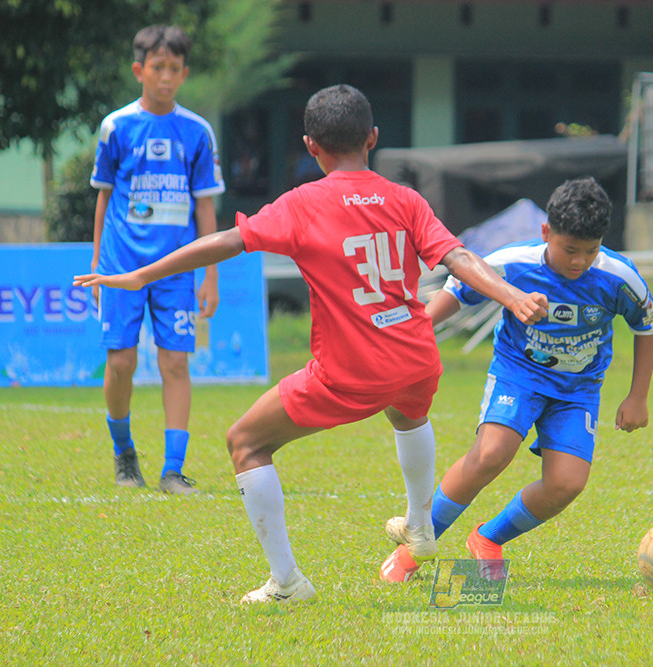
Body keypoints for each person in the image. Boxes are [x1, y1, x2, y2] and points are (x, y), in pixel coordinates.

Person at [75, 84, 549, 604]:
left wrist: (141, 274)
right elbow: (457, 258)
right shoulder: (405, 198)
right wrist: (510, 295)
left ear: (310, 146)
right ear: (372, 138)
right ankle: (420, 525)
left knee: (245, 443)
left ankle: (286, 582)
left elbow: (227, 242)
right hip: (416, 356)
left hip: (350, 368)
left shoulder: (302, 204)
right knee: (407, 413)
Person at [379, 177, 653, 583]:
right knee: (492, 453)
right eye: (569, 249)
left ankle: (488, 538)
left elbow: (648, 325)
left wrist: (638, 396)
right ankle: (417, 545)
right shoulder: (513, 263)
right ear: (546, 232)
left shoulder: (619, 277)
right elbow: (459, 291)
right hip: (519, 373)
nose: (579, 261)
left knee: (566, 484)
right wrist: (413, 337)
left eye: (590, 250)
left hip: (577, 390)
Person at [88, 24, 225, 495]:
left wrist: (210, 274)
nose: (165, 77)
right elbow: (103, 200)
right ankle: (124, 453)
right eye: (157, 67)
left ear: (184, 73)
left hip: (178, 271)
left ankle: (172, 469)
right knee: (122, 362)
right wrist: (98, 267)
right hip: (121, 267)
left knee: (175, 365)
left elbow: (205, 205)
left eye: (174, 69)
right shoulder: (116, 127)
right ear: (138, 70)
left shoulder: (197, 132)